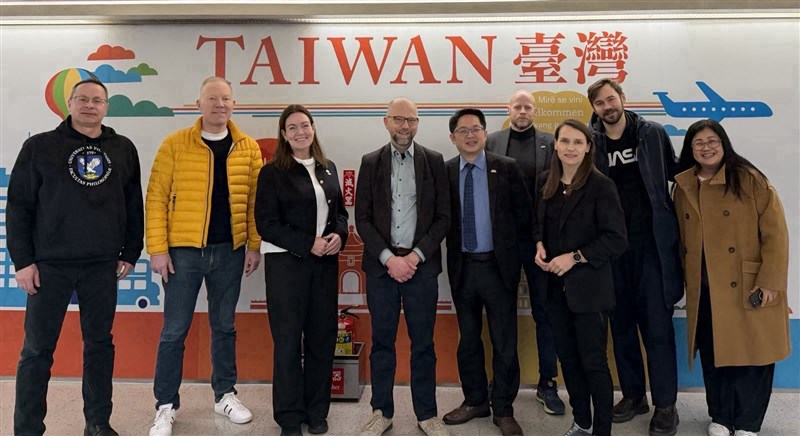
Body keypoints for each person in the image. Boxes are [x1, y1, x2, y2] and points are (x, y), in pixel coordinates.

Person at [7, 78, 144, 436]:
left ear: (106, 106)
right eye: (82, 99)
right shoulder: (39, 147)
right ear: (69, 103)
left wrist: (131, 252)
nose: (89, 105)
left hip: (101, 264)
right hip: (49, 265)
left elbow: (133, 205)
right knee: (37, 351)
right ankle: (27, 428)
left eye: (96, 100)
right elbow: (19, 206)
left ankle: (98, 422)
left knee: (100, 345)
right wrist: (22, 261)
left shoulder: (123, 148)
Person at [146, 77, 263, 436]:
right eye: (212, 98)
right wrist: (158, 249)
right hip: (182, 252)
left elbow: (257, 201)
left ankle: (224, 393)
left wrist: (254, 244)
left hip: (229, 251)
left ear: (234, 103)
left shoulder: (248, 148)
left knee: (224, 326)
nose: (220, 104)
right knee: (174, 331)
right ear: (199, 103)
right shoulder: (175, 144)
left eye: (226, 98)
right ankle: (165, 406)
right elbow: (155, 197)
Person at [673, 119, 790, 436]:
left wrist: (769, 281)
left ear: (724, 143)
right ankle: (721, 417)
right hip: (706, 288)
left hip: (748, 285)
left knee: (753, 357)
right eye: (698, 143)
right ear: (690, 149)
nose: (706, 147)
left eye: (712, 141)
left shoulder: (750, 179)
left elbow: (776, 235)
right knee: (714, 356)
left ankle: (749, 423)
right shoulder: (683, 185)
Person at [587, 78, 683, 436]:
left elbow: (675, 175)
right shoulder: (591, 142)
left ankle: (665, 405)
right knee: (622, 328)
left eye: (611, 99)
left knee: (657, 330)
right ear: (594, 108)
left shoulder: (652, 133)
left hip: (652, 250)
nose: (607, 106)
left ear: (623, 99)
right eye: (600, 103)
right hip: (611, 252)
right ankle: (633, 396)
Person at [355, 98, 451, 436]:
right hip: (382, 269)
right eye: (398, 119)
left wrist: (413, 257)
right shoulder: (370, 162)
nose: (405, 126)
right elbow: (362, 219)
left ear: (418, 123)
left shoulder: (434, 161)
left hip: (420, 268)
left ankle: (427, 414)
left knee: (423, 344)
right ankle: (382, 411)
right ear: (386, 122)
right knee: (383, 343)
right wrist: (389, 258)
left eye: (411, 120)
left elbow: (443, 218)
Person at [255, 104, 349, 436]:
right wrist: (307, 242)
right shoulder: (272, 172)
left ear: (313, 129)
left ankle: (316, 411)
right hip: (287, 268)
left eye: (304, 125)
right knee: (288, 342)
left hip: (324, 266)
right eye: (292, 127)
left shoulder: (328, 167)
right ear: (284, 134)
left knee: (322, 340)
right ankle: (290, 417)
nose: (300, 132)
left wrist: (340, 234)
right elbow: (266, 224)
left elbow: (340, 213)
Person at [532, 119, 627, 436]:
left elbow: (616, 239)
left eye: (577, 142)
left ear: (588, 147)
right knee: (568, 362)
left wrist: (573, 258)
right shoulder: (546, 182)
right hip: (554, 291)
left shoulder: (601, 186)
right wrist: (539, 246)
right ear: (555, 145)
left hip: (589, 292)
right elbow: (538, 225)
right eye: (565, 141)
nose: (570, 148)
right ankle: (582, 422)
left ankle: (601, 429)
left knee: (593, 363)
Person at [441, 108, 530, 436]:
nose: (470, 135)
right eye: (462, 131)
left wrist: (518, 263)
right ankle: (475, 399)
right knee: (468, 340)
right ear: (453, 138)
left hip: (498, 267)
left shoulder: (506, 168)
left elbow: (524, 218)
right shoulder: (445, 171)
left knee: (505, 341)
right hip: (463, 268)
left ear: (485, 133)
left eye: (476, 128)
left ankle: (504, 408)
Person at [486, 90, 563, 415]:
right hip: (501, 242)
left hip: (541, 243)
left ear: (534, 111)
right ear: (508, 109)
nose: (521, 111)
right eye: (516, 106)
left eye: (527, 106)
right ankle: (501, 383)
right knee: (501, 313)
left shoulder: (551, 143)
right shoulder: (491, 142)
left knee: (544, 313)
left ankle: (548, 383)